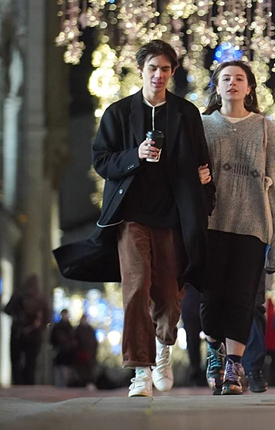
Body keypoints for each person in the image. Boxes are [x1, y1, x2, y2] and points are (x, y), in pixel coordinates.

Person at [84, 40, 215, 397]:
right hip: (131, 217)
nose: (159, 75)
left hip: (173, 217)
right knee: (136, 287)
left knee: (170, 298)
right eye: (153, 68)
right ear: (141, 70)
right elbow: (102, 161)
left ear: (172, 73)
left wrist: (206, 190)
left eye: (165, 69)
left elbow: (203, 164)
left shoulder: (186, 114)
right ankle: (139, 371)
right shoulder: (119, 113)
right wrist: (134, 155)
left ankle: (162, 349)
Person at [200, 60, 275, 395]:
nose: (233, 83)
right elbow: (182, 171)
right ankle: (215, 350)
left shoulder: (264, 127)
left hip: (252, 226)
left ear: (250, 87)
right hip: (211, 224)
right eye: (226, 78)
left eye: (240, 78)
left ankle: (233, 368)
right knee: (211, 302)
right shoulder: (203, 125)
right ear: (217, 86)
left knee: (242, 300)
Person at [4, 274, 50, 386]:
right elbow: (48, 317)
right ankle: (29, 383)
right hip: (34, 334)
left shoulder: (19, 294)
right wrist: (40, 328)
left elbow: (7, 309)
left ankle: (17, 383)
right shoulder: (41, 298)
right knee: (31, 362)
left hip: (17, 333)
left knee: (15, 361)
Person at [180, 285, 206, 387]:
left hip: (191, 297)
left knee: (192, 340)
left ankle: (196, 372)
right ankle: (198, 372)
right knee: (193, 340)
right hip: (192, 298)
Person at [50, 309, 76, 388]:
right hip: (60, 352)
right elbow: (52, 339)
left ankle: (65, 386)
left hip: (68, 354)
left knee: (66, 373)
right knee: (59, 372)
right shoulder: (58, 326)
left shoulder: (70, 327)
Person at [74, 314, 100, 388]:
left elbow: (94, 342)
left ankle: (89, 383)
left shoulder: (90, 329)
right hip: (81, 354)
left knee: (89, 369)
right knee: (82, 370)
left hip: (90, 354)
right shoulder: (78, 329)